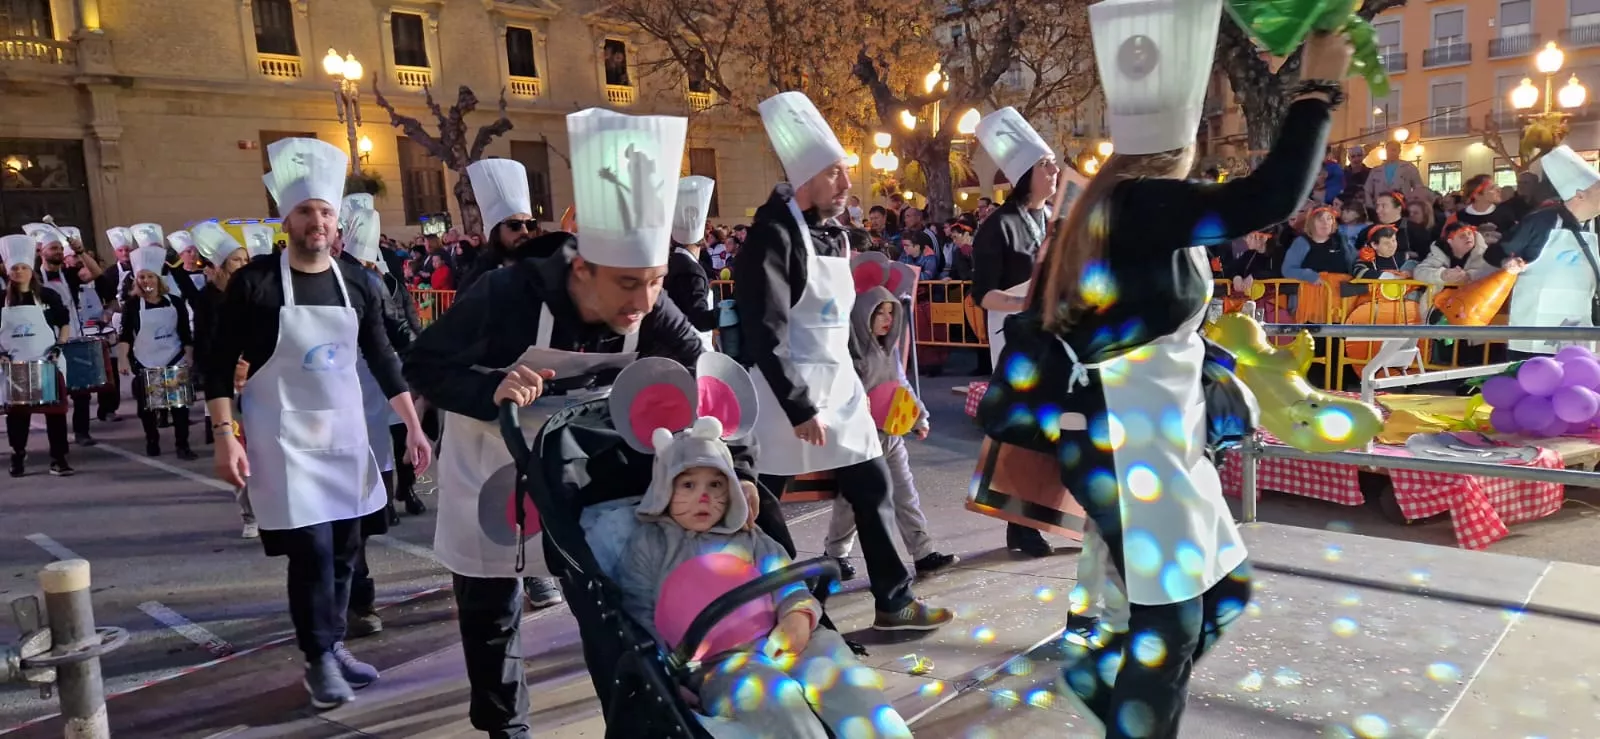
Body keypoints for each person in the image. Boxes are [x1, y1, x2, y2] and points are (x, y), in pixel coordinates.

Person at [994, 3, 1349, 732]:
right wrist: (1317, 92)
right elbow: (1271, 198)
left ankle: (1104, 677)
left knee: (1223, 592)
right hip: (1129, 444)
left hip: (1156, 440)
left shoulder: (1118, 207)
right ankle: (1131, 707)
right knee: (1173, 624)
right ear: (1179, 139)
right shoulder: (1144, 204)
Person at [404, 108, 724, 738]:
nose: (642, 303)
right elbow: (426, 362)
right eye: (628, 284)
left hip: (582, 473)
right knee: (492, 611)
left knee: (611, 607)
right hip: (491, 462)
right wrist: (490, 385)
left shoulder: (649, 307)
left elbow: (703, 369)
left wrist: (717, 447)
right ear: (582, 268)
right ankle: (505, 730)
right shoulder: (506, 295)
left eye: (655, 283)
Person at [204, 137, 431, 709]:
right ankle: (318, 658)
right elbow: (214, 365)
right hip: (284, 443)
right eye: (306, 210)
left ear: (336, 222)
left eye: (326, 211)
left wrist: (415, 428)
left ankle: (333, 645)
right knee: (312, 553)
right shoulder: (254, 284)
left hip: (347, 436)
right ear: (288, 218)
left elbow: (383, 359)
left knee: (348, 549)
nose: (318, 221)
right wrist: (224, 438)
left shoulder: (360, 284)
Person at [738, 91, 950, 632]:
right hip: (790, 391)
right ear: (806, 179)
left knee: (873, 486)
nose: (846, 184)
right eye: (835, 174)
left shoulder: (834, 232)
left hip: (843, 385)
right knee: (765, 503)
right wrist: (797, 404)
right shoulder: (772, 233)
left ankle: (894, 601)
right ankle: (789, 607)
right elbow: (766, 330)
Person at [617, 416, 911, 739]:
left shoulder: (750, 536)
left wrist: (798, 614)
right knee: (780, 710)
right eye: (688, 485)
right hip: (719, 663)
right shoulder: (649, 546)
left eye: (715, 485)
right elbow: (638, 619)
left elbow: (786, 582)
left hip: (789, 640)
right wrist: (663, 680)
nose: (704, 497)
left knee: (851, 689)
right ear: (664, 489)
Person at [453, 156, 568, 612]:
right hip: (490, 406)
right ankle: (501, 582)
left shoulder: (540, 274)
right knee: (496, 498)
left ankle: (537, 573)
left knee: (535, 490)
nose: (524, 233)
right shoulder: (478, 283)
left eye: (528, 224)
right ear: (493, 232)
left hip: (534, 398)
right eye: (513, 225)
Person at [970, 107, 1068, 556]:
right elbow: (983, 294)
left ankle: (1053, 514)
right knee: (1020, 429)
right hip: (1013, 337)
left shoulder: (1055, 220)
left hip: (1053, 334)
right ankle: (1018, 524)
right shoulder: (997, 226)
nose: (1055, 171)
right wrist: (1024, 303)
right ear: (1026, 174)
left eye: (1054, 163)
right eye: (1046, 165)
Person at [824, 286, 957, 579]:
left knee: (905, 494)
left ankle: (923, 553)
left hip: (891, 435)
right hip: (858, 440)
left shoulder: (890, 350)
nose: (886, 319)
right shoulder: (850, 352)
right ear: (863, 315)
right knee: (850, 502)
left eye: (890, 313)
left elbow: (901, 386)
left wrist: (919, 416)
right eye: (879, 313)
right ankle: (835, 554)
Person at [1496, 144, 1600, 359]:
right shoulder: (1541, 221)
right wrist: (1508, 262)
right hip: (1535, 326)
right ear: (1579, 195)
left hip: (1579, 322)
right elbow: (1496, 252)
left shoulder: (1595, 224)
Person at [192, 223, 259, 537]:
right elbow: (207, 347)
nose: (244, 266)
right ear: (219, 266)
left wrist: (251, 362)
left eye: (246, 260)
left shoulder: (254, 293)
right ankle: (249, 514)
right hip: (227, 388)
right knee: (239, 447)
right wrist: (231, 368)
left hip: (258, 380)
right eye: (236, 261)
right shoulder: (206, 301)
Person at [25, 222, 106, 446]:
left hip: (75, 336)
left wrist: (80, 252)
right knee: (54, 391)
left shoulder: (69, 274)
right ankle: (58, 436)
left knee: (81, 389)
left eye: (60, 249)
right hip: (47, 341)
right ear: (42, 252)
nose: (59, 253)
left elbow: (96, 273)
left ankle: (82, 432)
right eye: (54, 249)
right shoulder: (34, 279)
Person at [2, 233, 75, 477]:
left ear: (31, 270)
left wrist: (59, 346)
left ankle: (58, 458)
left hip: (47, 360)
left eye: (23, 267)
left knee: (55, 412)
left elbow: (64, 323)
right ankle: (18, 454)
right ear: (8, 272)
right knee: (18, 415)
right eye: (15, 268)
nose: (19, 272)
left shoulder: (47, 295)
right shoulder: (1, 300)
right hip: (14, 364)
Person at [116, 244, 196, 459]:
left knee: (179, 406)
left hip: (174, 357)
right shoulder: (132, 305)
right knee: (147, 408)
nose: (146, 281)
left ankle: (183, 445)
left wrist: (188, 354)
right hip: (145, 360)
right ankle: (152, 440)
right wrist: (123, 359)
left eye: (150, 277)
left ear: (158, 279)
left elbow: (184, 332)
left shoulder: (176, 302)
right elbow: (125, 336)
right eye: (141, 277)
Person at [665, 175, 720, 352]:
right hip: (693, 349)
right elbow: (700, 319)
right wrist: (727, 311)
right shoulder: (692, 270)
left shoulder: (673, 262)